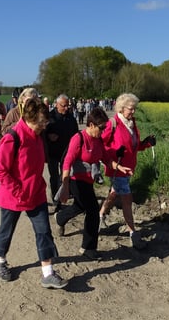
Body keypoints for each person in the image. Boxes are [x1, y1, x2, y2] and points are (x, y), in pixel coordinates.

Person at [0, 97, 68, 289]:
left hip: (36, 193)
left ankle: (48, 274)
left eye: (45, 122)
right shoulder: (13, 137)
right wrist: (19, 191)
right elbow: (0, 171)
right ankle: (1, 262)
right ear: (28, 118)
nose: (44, 126)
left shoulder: (38, 136)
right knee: (7, 229)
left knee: (44, 231)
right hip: (13, 195)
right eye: (41, 123)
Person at [55, 107, 132, 260]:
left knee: (80, 206)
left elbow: (106, 159)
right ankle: (88, 247)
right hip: (75, 180)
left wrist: (120, 167)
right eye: (101, 128)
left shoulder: (98, 141)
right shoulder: (79, 138)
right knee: (92, 211)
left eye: (104, 128)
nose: (103, 131)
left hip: (88, 180)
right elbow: (67, 162)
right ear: (91, 125)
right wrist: (65, 185)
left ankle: (60, 218)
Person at [98, 93, 156, 250]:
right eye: (131, 109)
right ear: (121, 108)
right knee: (127, 200)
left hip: (129, 169)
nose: (133, 112)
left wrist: (147, 143)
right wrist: (113, 154)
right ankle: (133, 234)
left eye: (134, 108)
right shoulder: (113, 124)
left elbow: (134, 146)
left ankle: (100, 215)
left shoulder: (132, 123)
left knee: (114, 193)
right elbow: (101, 145)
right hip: (117, 169)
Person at [45, 94, 79, 210]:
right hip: (53, 153)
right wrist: (49, 136)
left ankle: (62, 197)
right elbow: (42, 133)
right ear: (57, 105)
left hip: (67, 153)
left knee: (64, 176)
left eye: (67, 106)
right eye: (64, 106)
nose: (66, 108)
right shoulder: (50, 117)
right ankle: (56, 199)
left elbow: (76, 133)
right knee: (54, 177)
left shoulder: (71, 118)